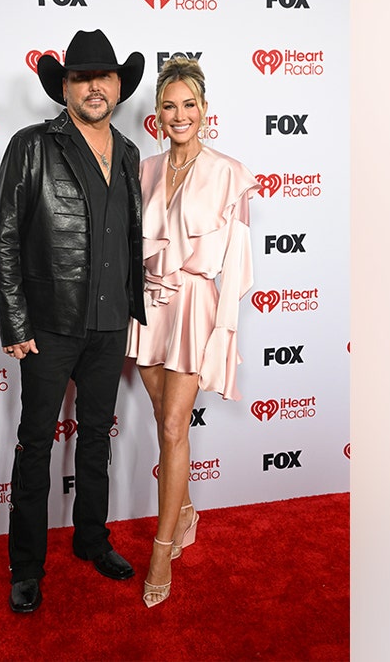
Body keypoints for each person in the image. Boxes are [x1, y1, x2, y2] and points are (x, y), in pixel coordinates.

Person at [0, 29, 147, 614]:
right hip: (49, 326)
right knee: (35, 446)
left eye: (103, 76)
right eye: (81, 77)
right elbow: (4, 236)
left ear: (117, 86)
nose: (94, 87)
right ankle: (26, 565)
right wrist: (14, 321)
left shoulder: (129, 154)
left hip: (109, 326)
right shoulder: (31, 145)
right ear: (64, 86)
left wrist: (136, 310)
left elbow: (127, 238)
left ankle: (91, 538)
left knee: (96, 440)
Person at [125, 57, 259, 608]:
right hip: (149, 304)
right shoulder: (146, 168)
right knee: (162, 418)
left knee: (176, 426)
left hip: (193, 308)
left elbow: (240, 264)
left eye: (189, 105)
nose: (179, 114)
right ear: (157, 113)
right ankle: (184, 510)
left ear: (205, 111)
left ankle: (162, 548)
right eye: (169, 105)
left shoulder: (229, 170)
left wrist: (223, 333)